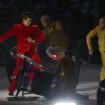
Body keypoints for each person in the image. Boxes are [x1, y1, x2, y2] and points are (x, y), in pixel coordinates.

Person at [0, 11, 45, 95]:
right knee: (18, 69)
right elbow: (7, 34)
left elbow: (42, 36)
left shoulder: (34, 27)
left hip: (32, 52)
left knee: (39, 65)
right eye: (28, 20)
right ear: (23, 20)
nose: (30, 22)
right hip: (21, 53)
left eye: (31, 20)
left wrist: (35, 40)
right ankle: (11, 89)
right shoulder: (17, 27)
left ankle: (35, 86)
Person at [86, 16, 105, 105]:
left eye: (102, 22)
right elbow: (88, 36)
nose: (100, 23)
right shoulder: (98, 29)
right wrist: (90, 49)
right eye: (100, 22)